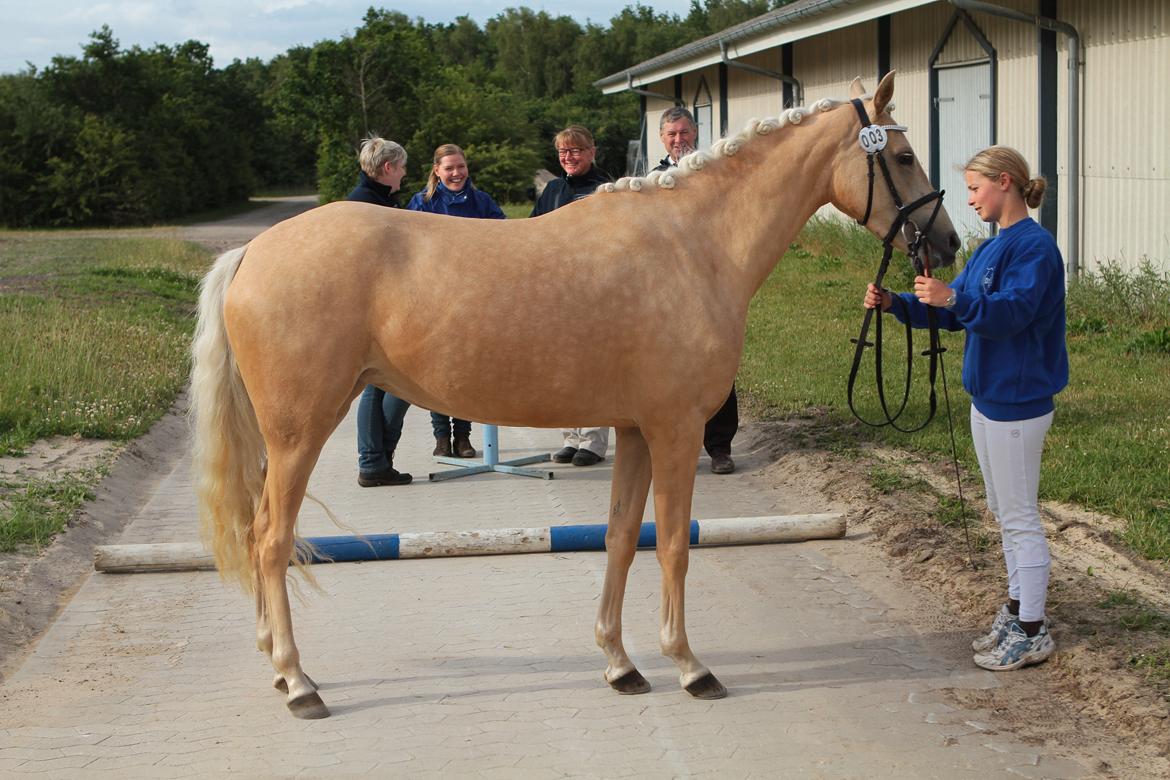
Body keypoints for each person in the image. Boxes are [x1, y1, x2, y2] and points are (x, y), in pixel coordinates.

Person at [863, 145, 1067, 671]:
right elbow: (956, 313)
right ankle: (1019, 609)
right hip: (988, 399)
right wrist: (900, 304)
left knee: (1020, 517)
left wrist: (952, 299)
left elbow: (1012, 313)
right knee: (1004, 513)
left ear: (1005, 183)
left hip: (1018, 403)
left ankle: (1033, 629)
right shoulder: (988, 248)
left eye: (975, 188)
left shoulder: (1035, 250)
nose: (971, 200)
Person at [653, 106, 739, 475]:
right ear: (662, 139)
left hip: (709, 282)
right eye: (671, 134)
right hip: (662, 287)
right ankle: (664, 445)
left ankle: (719, 447)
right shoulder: (652, 180)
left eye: (684, 132)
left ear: (695, 133)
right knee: (660, 368)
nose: (678, 140)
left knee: (716, 362)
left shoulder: (716, 173)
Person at [407, 143, 505, 458]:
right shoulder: (421, 203)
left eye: (460, 166)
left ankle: (463, 437)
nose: (456, 173)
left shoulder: (482, 201)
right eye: (449, 168)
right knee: (437, 370)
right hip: (433, 298)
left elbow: (506, 240)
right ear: (436, 171)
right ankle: (440, 438)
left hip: (473, 299)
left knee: (466, 369)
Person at [531, 125, 614, 467]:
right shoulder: (552, 188)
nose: (569, 157)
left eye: (576, 151)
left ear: (592, 151)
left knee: (592, 364)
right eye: (563, 152)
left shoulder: (605, 189)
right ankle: (571, 436)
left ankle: (593, 442)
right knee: (563, 366)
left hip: (594, 289)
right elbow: (534, 231)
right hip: (556, 290)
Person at [349, 136, 414, 487]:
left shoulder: (374, 201)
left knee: (389, 390)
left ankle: (379, 460)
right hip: (380, 309)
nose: (404, 174)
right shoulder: (369, 208)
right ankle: (375, 460)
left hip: (382, 305)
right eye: (402, 167)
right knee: (381, 388)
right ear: (388, 168)